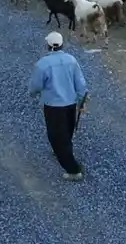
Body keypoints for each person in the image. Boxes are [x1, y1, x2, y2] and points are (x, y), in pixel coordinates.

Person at [28, 31, 88, 180]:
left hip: (53, 106)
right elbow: (80, 84)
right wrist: (82, 101)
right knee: (68, 129)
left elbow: (35, 86)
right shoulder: (71, 60)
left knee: (56, 136)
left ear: (48, 46)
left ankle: (73, 170)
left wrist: (33, 93)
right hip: (70, 103)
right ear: (62, 45)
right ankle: (63, 150)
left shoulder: (42, 64)